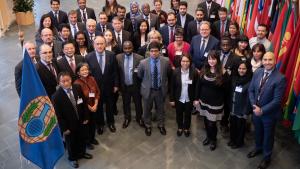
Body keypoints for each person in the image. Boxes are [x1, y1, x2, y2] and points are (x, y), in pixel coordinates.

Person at [247, 52, 286, 169]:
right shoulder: (258, 72)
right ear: (262, 61)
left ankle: (267, 157)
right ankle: (258, 148)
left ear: (275, 61)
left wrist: (262, 110)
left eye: (270, 60)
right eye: (265, 60)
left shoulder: (280, 78)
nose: (267, 62)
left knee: (268, 136)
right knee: (257, 131)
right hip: (255, 111)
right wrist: (254, 106)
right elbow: (251, 90)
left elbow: (277, 100)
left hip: (269, 114)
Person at [52, 71, 92, 168]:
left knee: (82, 138)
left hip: (81, 120)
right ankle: (73, 158)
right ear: (59, 82)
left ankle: (82, 153)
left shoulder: (77, 88)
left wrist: (86, 117)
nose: (66, 83)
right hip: (69, 126)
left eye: (68, 80)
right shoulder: (56, 96)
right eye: (63, 81)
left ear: (71, 80)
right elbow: (58, 115)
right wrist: (64, 129)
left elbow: (83, 103)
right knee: (71, 143)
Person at [195, 50, 228, 151]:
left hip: (216, 102)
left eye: (213, 59)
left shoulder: (223, 72)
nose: (211, 61)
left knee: (212, 123)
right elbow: (198, 85)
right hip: (204, 100)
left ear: (217, 60)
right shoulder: (204, 69)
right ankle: (208, 137)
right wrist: (196, 99)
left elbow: (226, 89)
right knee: (205, 120)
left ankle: (213, 140)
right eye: (209, 59)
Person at [86, 36, 119, 134]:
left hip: (109, 86)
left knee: (110, 105)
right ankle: (100, 124)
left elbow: (115, 71)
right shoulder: (88, 57)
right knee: (98, 106)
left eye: (102, 43)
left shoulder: (111, 55)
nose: (100, 46)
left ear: (105, 44)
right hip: (95, 88)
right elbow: (87, 74)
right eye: (97, 44)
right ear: (93, 45)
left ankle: (111, 122)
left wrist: (116, 85)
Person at [137, 41, 172, 136]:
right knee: (147, 109)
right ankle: (148, 125)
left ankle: (161, 125)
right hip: (148, 90)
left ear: (159, 51)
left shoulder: (166, 61)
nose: (154, 53)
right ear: (149, 51)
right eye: (152, 51)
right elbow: (139, 75)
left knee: (160, 109)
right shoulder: (143, 63)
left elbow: (168, 74)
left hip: (160, 90)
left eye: (156, 51)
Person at [116, 41, 144, 128]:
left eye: (129, 48)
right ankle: (127, 118)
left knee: (138, 103)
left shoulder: (140, 58)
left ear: (132, 47)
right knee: (126, 103)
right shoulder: (118, 57)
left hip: (136, 86)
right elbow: (117, 72)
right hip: (125, 86)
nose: (127, 50)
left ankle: (139, 118)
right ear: (123, 48)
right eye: (125, 48)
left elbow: (142, 73)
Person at [169, 54, 198, 137]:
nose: (185, 63)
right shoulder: (175, 72)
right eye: (183, 61)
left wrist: (196, 99)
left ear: (190, 62)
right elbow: (172, 87)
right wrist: (171, 99)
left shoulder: (194, 72)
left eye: (187, 61)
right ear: (180, 62)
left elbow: (196, 87)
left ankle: (186, 128)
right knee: (179, 114)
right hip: (179, 98)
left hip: (189, 98)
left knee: (188, 115)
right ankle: (180, 127)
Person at [74, 63, 100, 150]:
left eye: (86, 69)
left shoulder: (92, 79)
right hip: (85, 109)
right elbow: (80, 99)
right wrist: (89, 107)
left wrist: (95, 104)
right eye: (82, 70)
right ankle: (87, 141)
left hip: (94, 106)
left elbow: (97, 92)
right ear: (78, 72)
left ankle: (92, 138)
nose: (85, 71)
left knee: (93, 124)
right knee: (86, 126)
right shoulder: (76, 84)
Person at [228, 61, 252, 149]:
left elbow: (249, 98)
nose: (241, 70)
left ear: (248, 69)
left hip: (242, 110)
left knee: (240, 127)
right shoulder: (234, 78)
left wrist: (246, 111)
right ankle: (232, 140)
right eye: (240, 68)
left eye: (244, 69)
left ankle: (238, 143)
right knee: (232, 125)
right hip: (233, 107)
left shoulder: (250, 81)